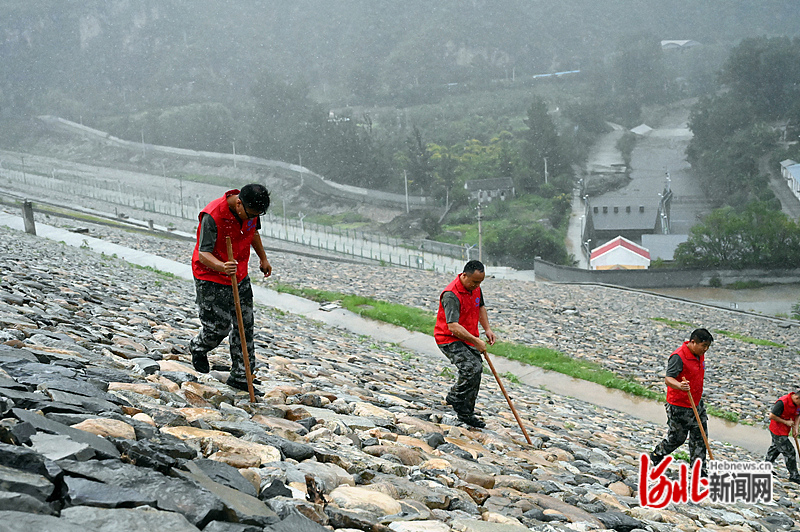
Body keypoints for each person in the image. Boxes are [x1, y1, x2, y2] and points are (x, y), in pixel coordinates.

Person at [189, 184, 272, 392]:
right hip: (210, 277)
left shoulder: (252, 210)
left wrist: (263, 258)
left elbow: (253, 233)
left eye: (256, 215)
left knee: (245, 326)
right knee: (218, 327)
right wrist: (221, 266)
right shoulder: (213, 216)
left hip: (239, 274)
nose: (251, 218)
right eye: (249, 214)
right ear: (238, 203)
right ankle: (198, 347)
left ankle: (242, 377)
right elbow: (203, 254)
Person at [434, 260, 497, 428]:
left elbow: (481, 308)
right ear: (463, 275)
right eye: (474, 282)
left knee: (476, 369)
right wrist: (476, 341)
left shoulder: (475, 289)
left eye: (480, 282)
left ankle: (462, 406)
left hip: (468, 336)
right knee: (471, 368)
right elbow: (453, 326)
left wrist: (487, 330)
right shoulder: (451, 295)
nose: (477, 285)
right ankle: (460, 404)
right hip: (449, 338)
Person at [650, 328, 714, 474]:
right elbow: (668, 378)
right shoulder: (678, 357)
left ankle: (699, 469)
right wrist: (679, 385)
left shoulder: (699, 355)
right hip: (679, 406)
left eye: (707, 347)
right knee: (677, 438)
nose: (705, 349)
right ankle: (657, 454)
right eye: (703, 346)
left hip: (696, 403)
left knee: (700, 436)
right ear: (693, 342)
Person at [765, 390, 800, 483]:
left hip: (785, 430)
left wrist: (796, 428)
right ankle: (794, 475)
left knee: (775, 448)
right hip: (777, 430)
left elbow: (798, 414)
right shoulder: (782, 402)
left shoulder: (797, 403)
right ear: (797, 398)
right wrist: (786, 422)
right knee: (789, 451)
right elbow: (771, 416)